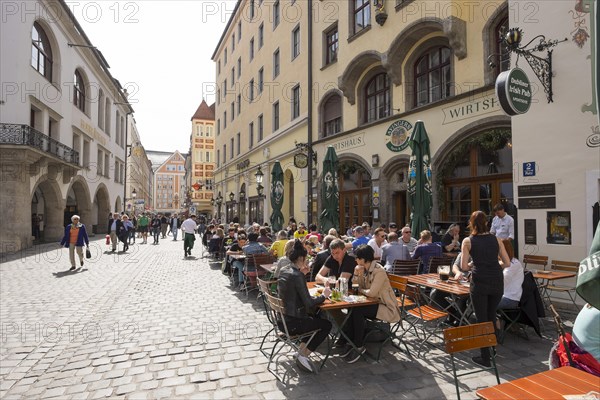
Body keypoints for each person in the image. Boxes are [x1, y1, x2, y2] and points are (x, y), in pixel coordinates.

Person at [461, 210, 510, 367]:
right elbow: (507, 263)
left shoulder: (468, 241)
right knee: (491, 314)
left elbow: (463, 266)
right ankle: (492, 350)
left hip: (480, 281)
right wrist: (493, 265)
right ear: (487, 223)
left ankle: (485, 358)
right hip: (496, 280)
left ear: (472, 224)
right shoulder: (496, 239)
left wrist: (472, 264)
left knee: (482, 319)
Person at [277, 239, 332, 373]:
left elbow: (295, 293)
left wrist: (304, 274)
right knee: (326, 325)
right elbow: (308, 302)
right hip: (293, 323)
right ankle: (303, 354)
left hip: (282, 320)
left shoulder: (285, 270)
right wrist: (324, 295)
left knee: (315, 318)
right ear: (301, 258)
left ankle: (300, 352)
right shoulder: (297, 275)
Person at [340, 245, 400, 363]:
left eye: (357, 258)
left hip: (386, 307)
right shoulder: (364, 269)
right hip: (374, 304)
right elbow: (355, 285)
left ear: (363, 259)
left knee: (358, 310)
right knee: (353, 308)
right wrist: (356, 274)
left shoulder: (379, 271)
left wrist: (361, 290)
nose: (355, 260)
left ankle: (358, 345)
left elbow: (371, 293)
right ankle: (351, 342)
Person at [497, 239, 524, 311]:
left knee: (484, 304)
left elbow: (502, 282)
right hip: (500, 295)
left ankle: (494, 321)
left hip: (510, 298)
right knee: (470, 300)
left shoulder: (514, 264)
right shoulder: (501, 262)